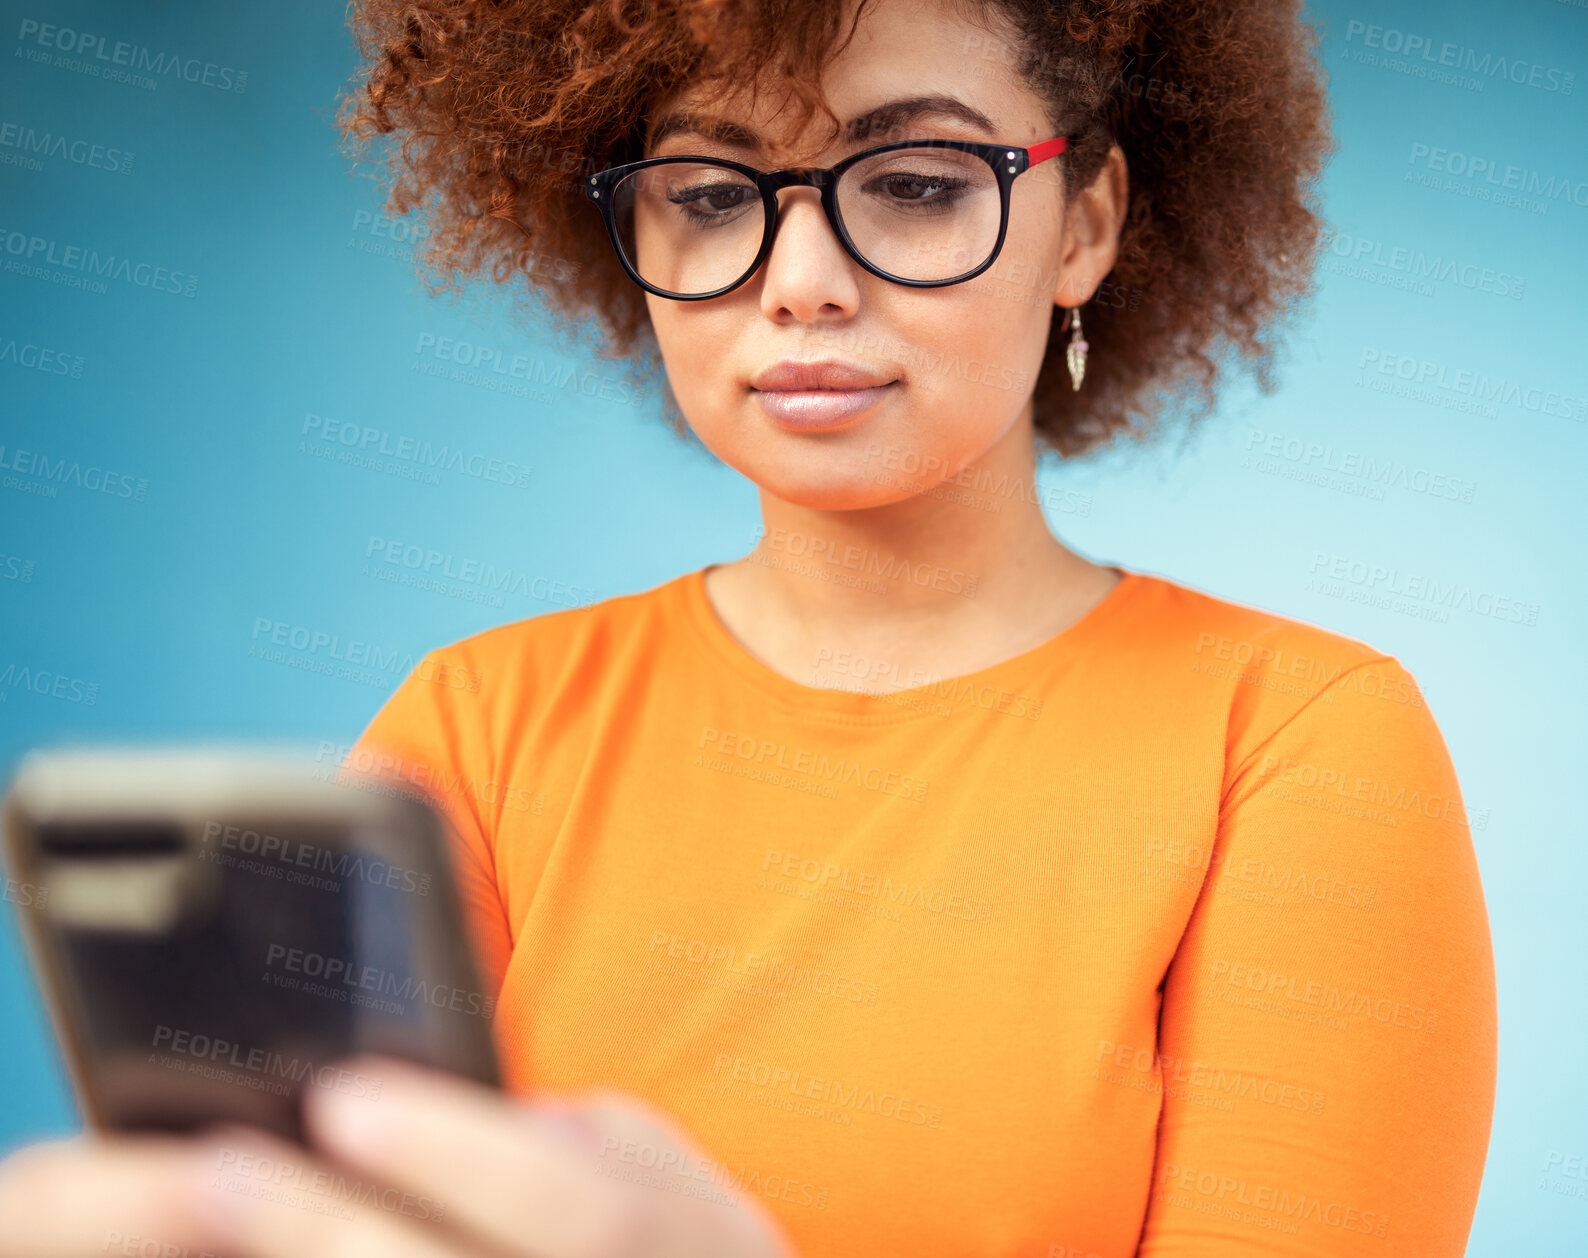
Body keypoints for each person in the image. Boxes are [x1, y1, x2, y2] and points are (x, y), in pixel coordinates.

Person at [0, 0, 1497, 1254]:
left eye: (915, 180)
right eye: (712, 197)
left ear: (1084, 224)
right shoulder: (482, 721)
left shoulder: (1295, 739)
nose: (800, 285)